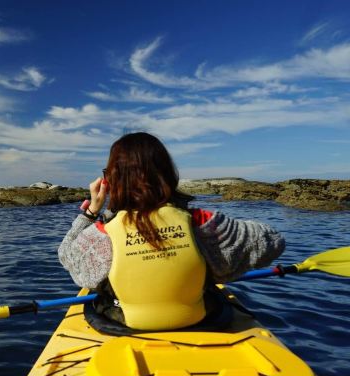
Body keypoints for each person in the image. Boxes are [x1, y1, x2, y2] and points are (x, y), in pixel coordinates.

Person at [58, 132, 285, 331]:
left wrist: (92, 213)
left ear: (112, 180)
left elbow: (67, 256)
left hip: (124, 323)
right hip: (199, 320)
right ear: (167, 173)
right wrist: (218, 268)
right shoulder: (202, 223)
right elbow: (272, 241)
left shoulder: (104, 232)